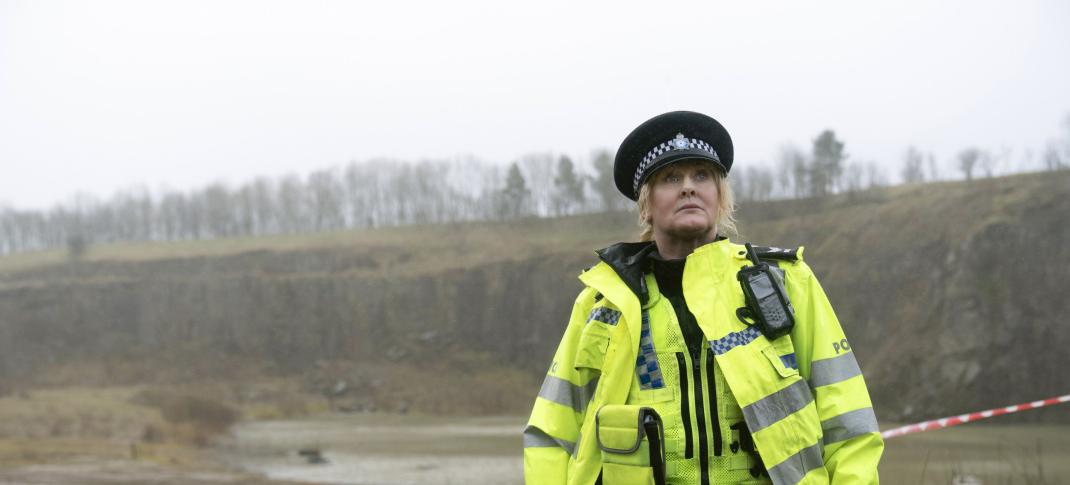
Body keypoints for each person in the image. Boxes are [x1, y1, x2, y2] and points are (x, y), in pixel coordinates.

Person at [523, 111, 883, 485]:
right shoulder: (602, 305)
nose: (688, 188)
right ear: (646, 204)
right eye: (670, 178)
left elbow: (849, 422)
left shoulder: (784, 282)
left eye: (702, 176)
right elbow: (551, 433)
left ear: (720, 196)